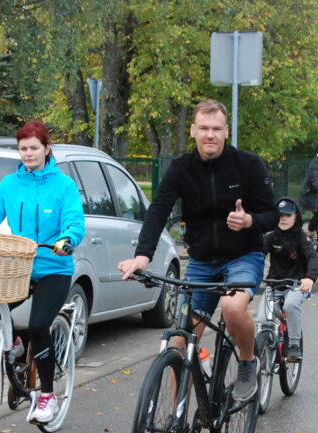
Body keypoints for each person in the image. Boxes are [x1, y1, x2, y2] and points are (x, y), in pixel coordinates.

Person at [118, 99, 278, 401]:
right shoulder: (182, 169)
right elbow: (158, 210)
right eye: (203, 128)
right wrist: (143, 256)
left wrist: (249, 221)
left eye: (217, 129)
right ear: (193, 131)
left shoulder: (248, 164)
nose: (210, 135)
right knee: (180, 341)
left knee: (232, 308)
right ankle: (177, 418)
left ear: (226, 132)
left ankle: (247, 361)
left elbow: (271, 215)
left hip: (243, 257)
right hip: (202, 262)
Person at [0, 120, 85, 424]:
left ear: (47, 149)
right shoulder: (9, 184)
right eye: (23, 148)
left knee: (39, 326)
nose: (28, 154)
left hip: (54, 267)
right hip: (19, 266)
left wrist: (67, 240)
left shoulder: (63, 186)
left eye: (34, 148)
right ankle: (13, 345)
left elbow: (75, 222)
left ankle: (47, 396)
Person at [257, 198, 318, 360]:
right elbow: (257, 253)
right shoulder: (271, 237)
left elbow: (312, 257)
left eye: (288, 215)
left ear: (296, 217)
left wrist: (309, 278)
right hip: (274, 285)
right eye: (280, 215)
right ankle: (265, 349)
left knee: (290, 305)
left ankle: (294, 343)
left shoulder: (301, 237)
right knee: (262, 320)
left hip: (297, 284)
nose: (283, 219)